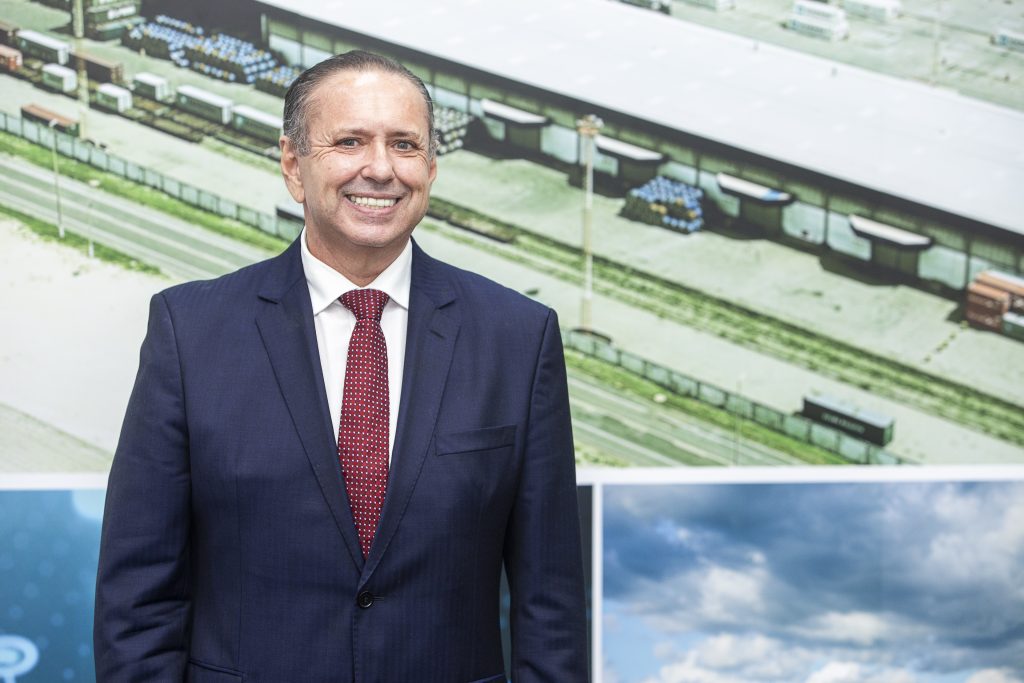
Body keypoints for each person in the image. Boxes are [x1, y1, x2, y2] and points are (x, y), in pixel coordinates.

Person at [93, 50, 589, 682]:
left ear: (431, 168)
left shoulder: (518, 337)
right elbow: (138, 596)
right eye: (350, 141)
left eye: (404, 145)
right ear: (293, 165)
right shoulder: (190, 331)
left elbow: (551, 607)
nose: (380, 169)